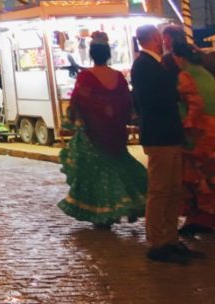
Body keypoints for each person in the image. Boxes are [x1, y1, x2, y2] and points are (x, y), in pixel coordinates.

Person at [57, 39, 147, 228]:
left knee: (97, 173)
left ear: (91, 55)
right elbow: (126, 102)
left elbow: (78, 101)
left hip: (93, 133)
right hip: (115, 131)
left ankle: (103, 213)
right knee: (119, 167)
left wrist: (72, 122)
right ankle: (126, 206)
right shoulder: (118, 76)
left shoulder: (86, 77)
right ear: (108, 55)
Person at [131, 24, 200, 264]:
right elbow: (149, 99)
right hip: (159, 133)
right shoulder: (143, 65)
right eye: (159, 37)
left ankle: (170, 237)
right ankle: (158, 241)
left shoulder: (157, 64)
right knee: (160, 189)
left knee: (173, 188)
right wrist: (175, 87)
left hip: (169, 132)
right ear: (152, 38)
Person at [172, 40, 215, 236]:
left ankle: (202, 218)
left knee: (197, 175)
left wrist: (186, 124)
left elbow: (195, 103)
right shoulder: (205, 73)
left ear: (180, 58)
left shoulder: (185, 76)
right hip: (212, 127)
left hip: (200, 131)